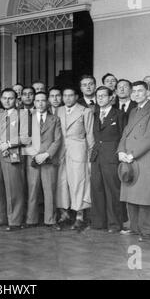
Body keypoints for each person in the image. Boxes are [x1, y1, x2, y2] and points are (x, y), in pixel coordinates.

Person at [117, 81, 150, 242]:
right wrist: (121, 151)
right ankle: (135, 228)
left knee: (146, 197)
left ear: (148, 93)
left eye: (140, 91)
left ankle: (147, 231)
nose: (137, 94)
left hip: (144, 158)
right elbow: (125, 134)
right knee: (131, 196)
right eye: (134, 91)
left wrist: (132, 154)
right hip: (129, 159)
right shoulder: (133, 111)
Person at [56, 88, 94, 230]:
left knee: (79, 182)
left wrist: (91, 156)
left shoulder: (85, 111)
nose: (67, 98)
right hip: (60, 151)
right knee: (61, 182)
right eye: (64, 95)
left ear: (76, 97)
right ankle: (64, 214)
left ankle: (79, 216)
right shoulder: (57, 111)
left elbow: (90, 135)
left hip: (78, 151)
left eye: (71, 95)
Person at [90, 87, 126, 232]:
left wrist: (120, 154)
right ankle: (99, 223)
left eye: (103, 96)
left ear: (111, 97)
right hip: (97, 157)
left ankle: (114, 224)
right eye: (98, 96)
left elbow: (124, 136)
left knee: (112, 191)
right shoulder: (94, 114)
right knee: (96, 189)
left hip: (111, 157)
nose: (100, 98)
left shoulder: (119, 114)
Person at [25, 92, 62, 229]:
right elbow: (24, 139)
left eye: (43, 100)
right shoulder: (28, 119)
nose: (40, 103)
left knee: (49, 191)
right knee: (32, 189)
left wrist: (46, 154)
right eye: (37, 101)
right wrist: (35, 155)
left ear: (47, 102)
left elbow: (57, 140)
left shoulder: (55, 119)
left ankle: (50, 220)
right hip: (32, 159)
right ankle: (31, 220)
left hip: (48, 160)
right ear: (34, 103)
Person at [0, 89, 29, 231]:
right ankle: (1, 217)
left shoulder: (23, 114)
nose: (7, 101)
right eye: (4, 98)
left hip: (13, 155)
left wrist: (8, 143)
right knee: (0, 189)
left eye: (10, 98)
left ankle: (15, 221)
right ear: (0, 99)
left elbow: (26, 137)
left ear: (16, 99)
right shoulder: (0, 115)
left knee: (14, 189)